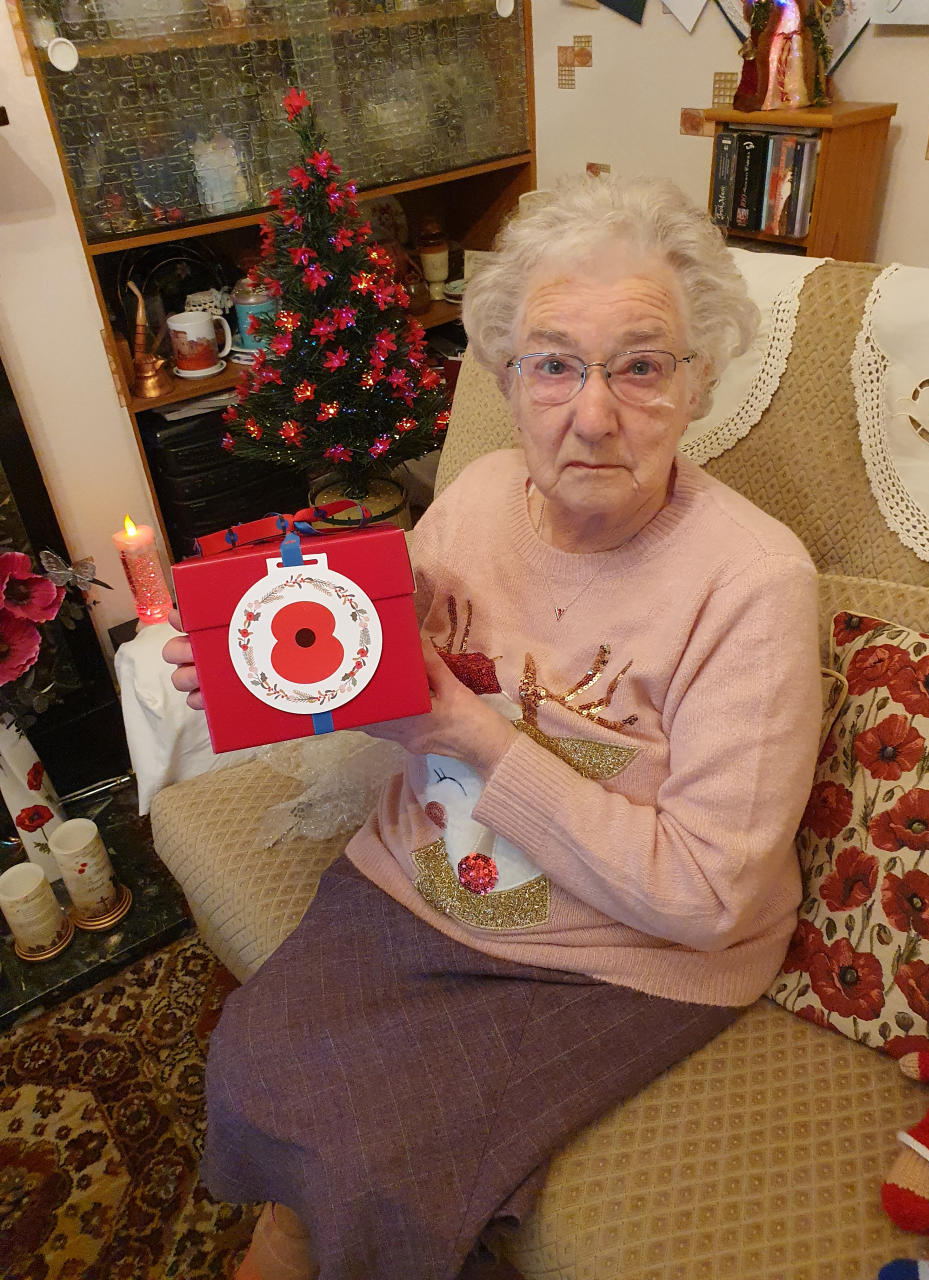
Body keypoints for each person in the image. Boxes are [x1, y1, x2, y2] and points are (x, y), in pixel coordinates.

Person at [162, 173, 822, 1280]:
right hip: (428, 870)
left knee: (382, 1163)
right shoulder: (472, 497)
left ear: (699, 382)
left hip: (621, 949)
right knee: (253, 1056)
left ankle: (316, 1230)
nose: (594, 412)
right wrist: (254, 664)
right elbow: (379, 674)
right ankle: (292, 1225)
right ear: (506, 378)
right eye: (554, 362)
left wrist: (466, 731)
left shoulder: (754, 583)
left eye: (642, 365)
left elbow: (712, 899)